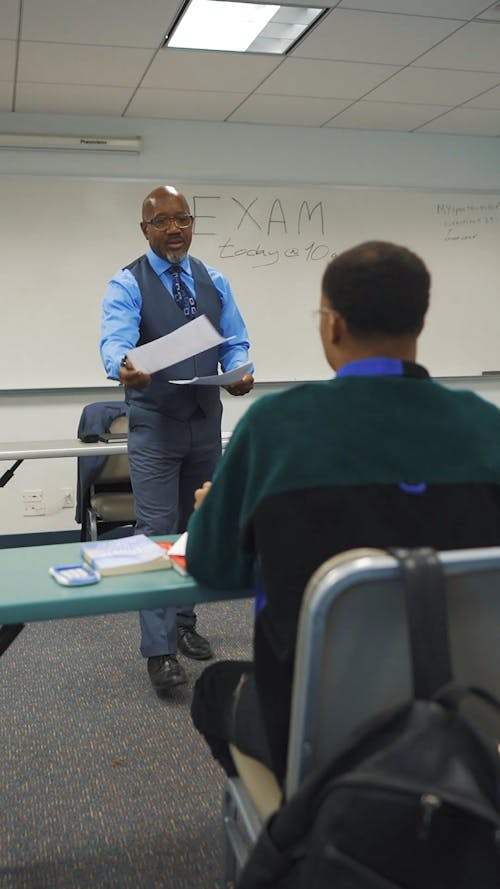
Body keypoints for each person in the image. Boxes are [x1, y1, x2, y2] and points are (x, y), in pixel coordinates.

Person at [186, 240, 500, 785]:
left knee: (213, 689)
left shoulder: (274, 428)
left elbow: (212, 567)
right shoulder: (486, 427)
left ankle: (291, 829)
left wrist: (215, 511)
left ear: (332, 326)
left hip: (318, 736)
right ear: (420, 322)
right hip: (467, 723)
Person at [100, 185, 254, 694]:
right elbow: (116, 341)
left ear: (192, 223)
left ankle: (185, 623)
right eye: (162, 221)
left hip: (204, 423)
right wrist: (125, 368)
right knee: (156, 532)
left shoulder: (215, 279)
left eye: (182, 219)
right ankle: (160, 649)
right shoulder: (127, 283)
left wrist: (237, 370)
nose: (174, 229)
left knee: (196, 525)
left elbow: (234, 339)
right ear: (145, 229)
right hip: (156, 426)